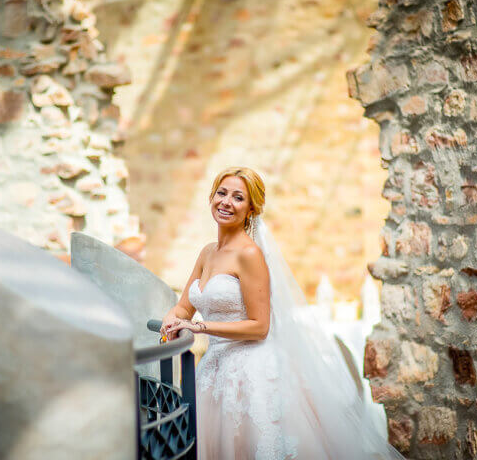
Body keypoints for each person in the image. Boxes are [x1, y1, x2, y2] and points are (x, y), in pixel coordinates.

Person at [161, 167, 403, 460]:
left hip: (249, 371)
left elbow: (259, 326)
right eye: (221, 193)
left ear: (250, 209)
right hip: (213, 368)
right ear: (211, 196)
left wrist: (200, 327)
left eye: (238, 197)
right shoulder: (207, 252)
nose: (226, 202)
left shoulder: (249, 255)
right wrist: (172, 317)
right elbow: (185, 306)